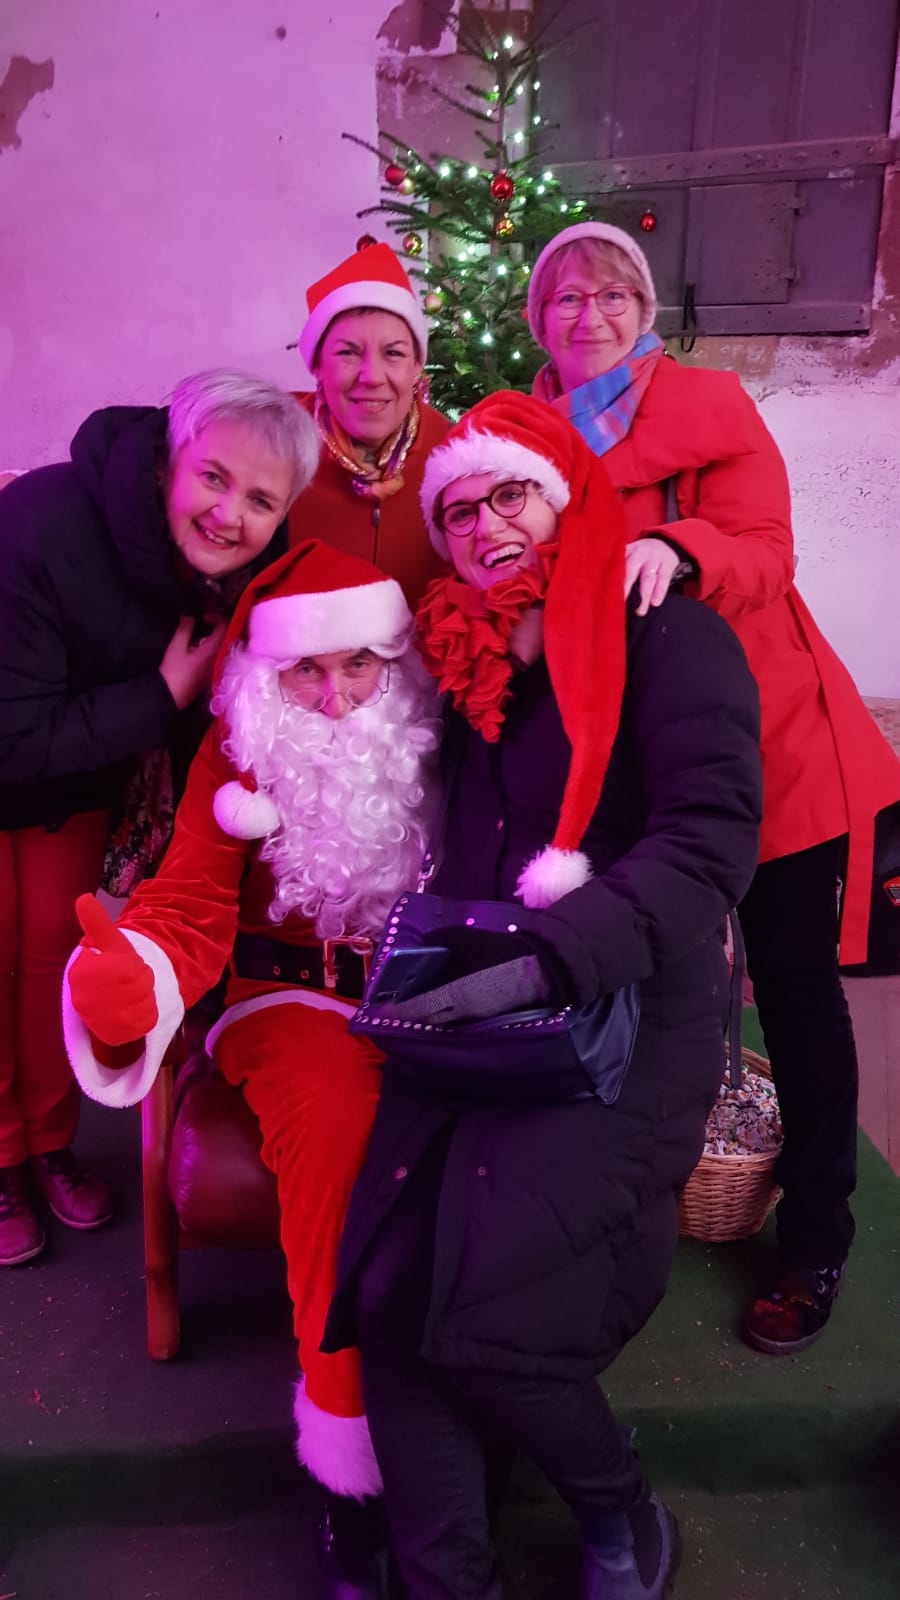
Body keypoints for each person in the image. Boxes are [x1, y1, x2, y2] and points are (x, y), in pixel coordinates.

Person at [320, 393, 762, 1600]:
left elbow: (712, 838)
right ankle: (447, 1576)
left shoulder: (664, 634)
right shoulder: (463, 656)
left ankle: (618, 1500)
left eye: (508, 494)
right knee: (389, 1285)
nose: (486, 526)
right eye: (459, 512)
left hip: (627, 1025)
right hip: (486, 1012)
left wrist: (563, 949)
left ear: (560, 499)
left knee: (495, 1328)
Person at [526, 221, 900, 1355]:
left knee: (794, 991)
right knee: (643, 990)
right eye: (565, 296)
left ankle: (816, 1240)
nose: (589, 313)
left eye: (611, 293)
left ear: (645, 310)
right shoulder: (527, 431)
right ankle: (623, 1208)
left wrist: (683, 547)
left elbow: (769, 551)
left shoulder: (710, 408)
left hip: (771, 745)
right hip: (634, 761)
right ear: (537, 320)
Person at [63, 540, 441, 1600]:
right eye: (306, 671)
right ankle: (353, 1471)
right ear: (269, 676)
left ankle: (473, 1424)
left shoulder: (436, 737)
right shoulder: (238, 752)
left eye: (359, 664)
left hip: (435, 997)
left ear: (395, 661)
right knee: (338, 1130)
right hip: (289, 999)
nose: (335, 696)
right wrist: (137, 977)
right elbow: (185, 902)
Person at [0, 370, 318, 1270]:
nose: (228, 513)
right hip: (20, 744)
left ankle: (49, 1143)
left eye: (259, 499)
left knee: (51, 958)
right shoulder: (44, 526)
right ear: (170, 461)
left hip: (72, 778)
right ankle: (0, 1160)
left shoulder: (242, 568)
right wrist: (160, 694)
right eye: (213, 477)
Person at [288, 239, 450, 605]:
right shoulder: (276, 443)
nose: (372, 376)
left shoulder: (456, 453)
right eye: (348, 352)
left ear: (417, 366)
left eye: (393, 353)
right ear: (317, 365)